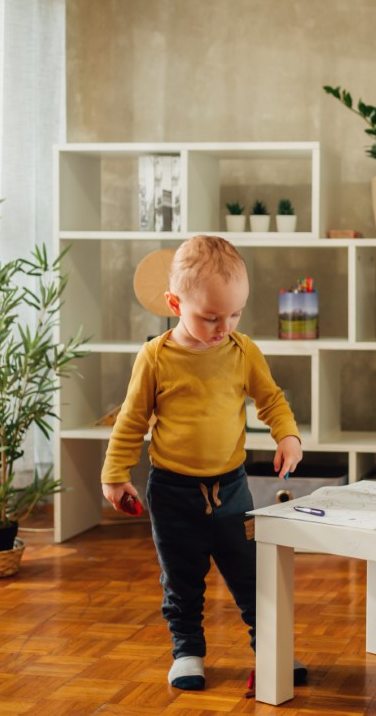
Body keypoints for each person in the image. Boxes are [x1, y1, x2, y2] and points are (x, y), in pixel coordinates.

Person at [101, 235, 305, 691]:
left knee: (252, 576)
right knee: (182, 582)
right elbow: (131, 421)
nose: (224, 326)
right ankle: (188, 651)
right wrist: (114, 476)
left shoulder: (241, 350)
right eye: (210, 317)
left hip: (231, 490)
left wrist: (287, 435)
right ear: (175, 303)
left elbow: (270, 399)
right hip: (173, 493)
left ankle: (272, 650)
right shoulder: (155, 357)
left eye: (235, 313)